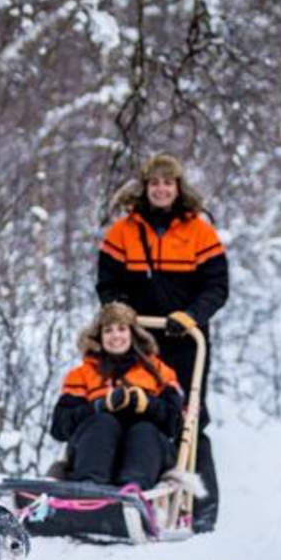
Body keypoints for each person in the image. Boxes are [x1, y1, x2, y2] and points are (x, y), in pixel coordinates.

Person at [96, 153, 227, 526]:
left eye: (168, 183)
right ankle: (123, 493)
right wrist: (121, 314)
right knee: (132, 410)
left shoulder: (199, 232)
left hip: (186, 341)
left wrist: (191, 316)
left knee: (188, 418)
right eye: (155, 183)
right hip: (136, 341)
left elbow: (217, 286)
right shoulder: (123, 232)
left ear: (178, 188)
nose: (161, 189)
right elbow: (107, 283)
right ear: (145, 187)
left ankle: (201, 509)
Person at [49, 303, 184, 491]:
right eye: (108, 330)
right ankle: (89, 489)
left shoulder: (159, 372)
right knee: (103, 422)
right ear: (99, 337)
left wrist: (148, 404)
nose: (115, 336)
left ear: (132, 334)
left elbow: (175, 424)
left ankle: (133, 491)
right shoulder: (81, 374)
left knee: (143, 430)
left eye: (122, 329)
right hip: (94, 451)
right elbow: (60, 427)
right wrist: (98, 406)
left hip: (147, 453)